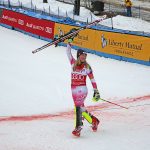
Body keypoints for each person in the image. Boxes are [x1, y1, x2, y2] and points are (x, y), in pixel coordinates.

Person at [66, 38, 101, 137]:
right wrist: (70, 41)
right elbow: (68, 52)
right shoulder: (73, 63)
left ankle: (78, 127)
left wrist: (96, 90)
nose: (84, 57)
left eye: (85, 55)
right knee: (81, 108)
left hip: (82, 90)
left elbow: (92, 79)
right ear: (78, 55)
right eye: (82, 55)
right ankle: (94, 121)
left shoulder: (87, 67)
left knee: (78, 107)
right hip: (73, 89)